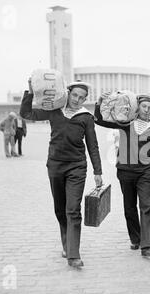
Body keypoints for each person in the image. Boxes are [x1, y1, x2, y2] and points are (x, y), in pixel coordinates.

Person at [20, 79, 103, 268]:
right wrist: (30, 92)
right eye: (74, 95)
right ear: (68, 93)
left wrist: (98, 171)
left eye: (81, 97)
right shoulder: (55, 110)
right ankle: (66, 242)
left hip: (77, 167)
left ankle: (73, 254)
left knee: (73, 209)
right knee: (60, 209)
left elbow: (93, 146)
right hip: (55, 166)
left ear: (85, 99)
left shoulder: (86, 118)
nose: (77, 100)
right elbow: (26, 113)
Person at [94, 93, 150, 257]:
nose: (147, 110)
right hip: (125, 172)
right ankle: (135, 238)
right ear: (138, 107)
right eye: (144, 107)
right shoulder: (126, 122)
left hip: (145, 173)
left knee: (146, 207)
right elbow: (100, 120)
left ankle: (146, 245)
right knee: (129, 208)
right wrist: (99, 105)